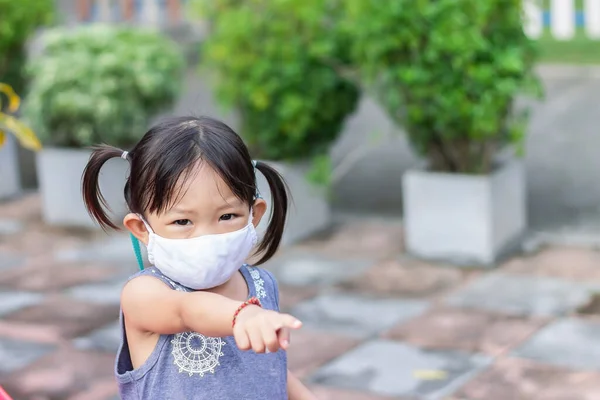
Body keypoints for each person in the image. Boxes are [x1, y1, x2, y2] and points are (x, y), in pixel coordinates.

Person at [81, 116, 317, 399]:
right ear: (142, 228)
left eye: (227, 216)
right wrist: (241, 314)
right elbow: (188, 309)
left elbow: (271, 368)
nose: (206, 237)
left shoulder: (262, 284)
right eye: (182, 222)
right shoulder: (143, 294)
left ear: (254, 215)